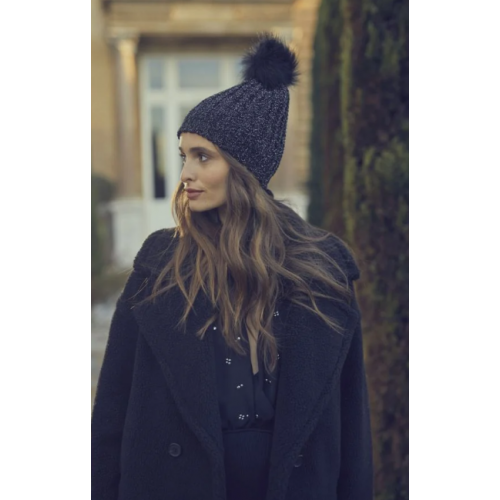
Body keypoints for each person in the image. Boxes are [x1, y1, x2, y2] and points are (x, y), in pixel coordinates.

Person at [91, 32, 373, 500]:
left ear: (245, 167)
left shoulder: (322, 272)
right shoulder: (159, 267)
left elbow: (351, 426)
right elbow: (112, 415)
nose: (186, 175)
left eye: (203, 156)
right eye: (184, 156)